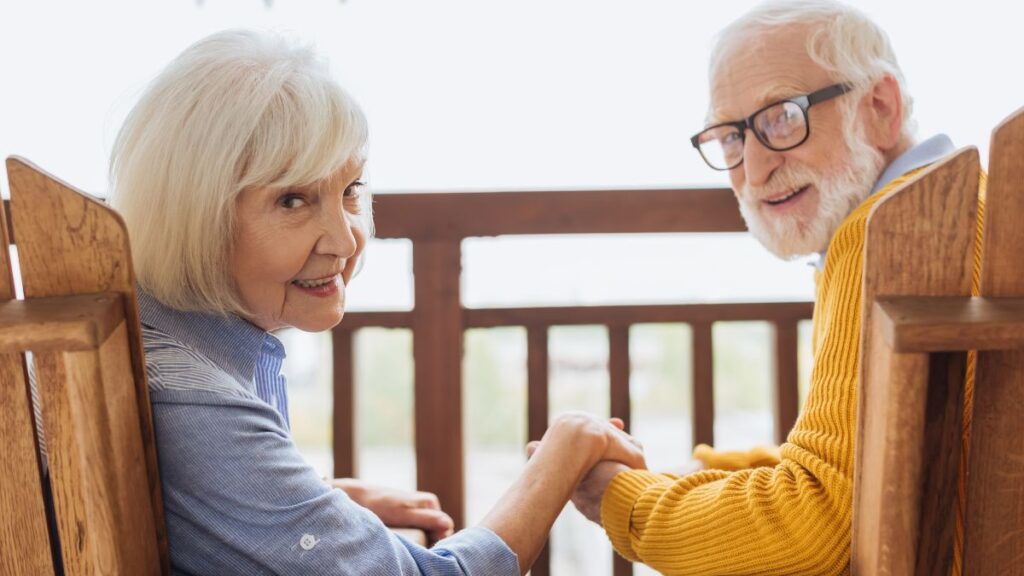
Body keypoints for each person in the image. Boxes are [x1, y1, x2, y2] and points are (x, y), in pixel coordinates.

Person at [109, 29, 645, 575]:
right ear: (193, 214)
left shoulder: (162, 337)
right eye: (293, 199)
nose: (345, 242)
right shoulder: (196, 400)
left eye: (349, 191)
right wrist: (565, 452)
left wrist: (324, 502)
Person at [567, 1, 984, 574]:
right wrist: (706, 475)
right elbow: (888, 460)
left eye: (783, 117)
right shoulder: (968, 209)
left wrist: (620, 498)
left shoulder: (884, 236)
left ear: (880, 107)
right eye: (731, 137)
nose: (756, 168)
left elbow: (815, 529)